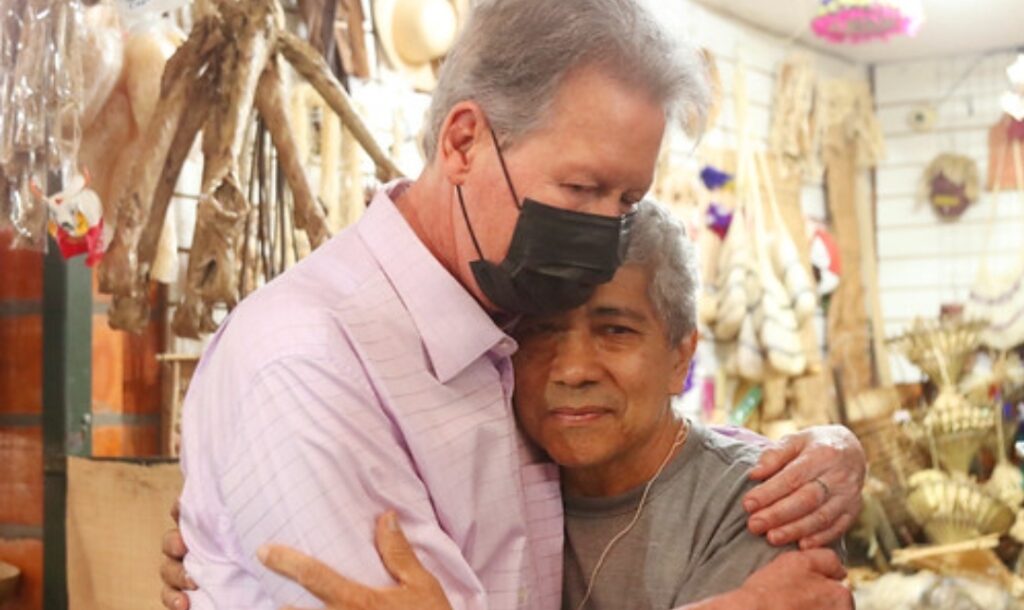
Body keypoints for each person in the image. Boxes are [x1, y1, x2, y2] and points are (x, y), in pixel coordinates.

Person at [168, 1, 866, 608]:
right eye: (581, 189)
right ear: (463, 142)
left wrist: (827, 453)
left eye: (627, 199)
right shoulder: (309, 363)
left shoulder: (500, 323)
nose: (604, 235)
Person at [224, 200, 854, 610]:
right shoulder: (485, 478)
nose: (572, 370)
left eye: (615, 331)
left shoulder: (767, 502)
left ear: (680, 356)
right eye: (542, 331)